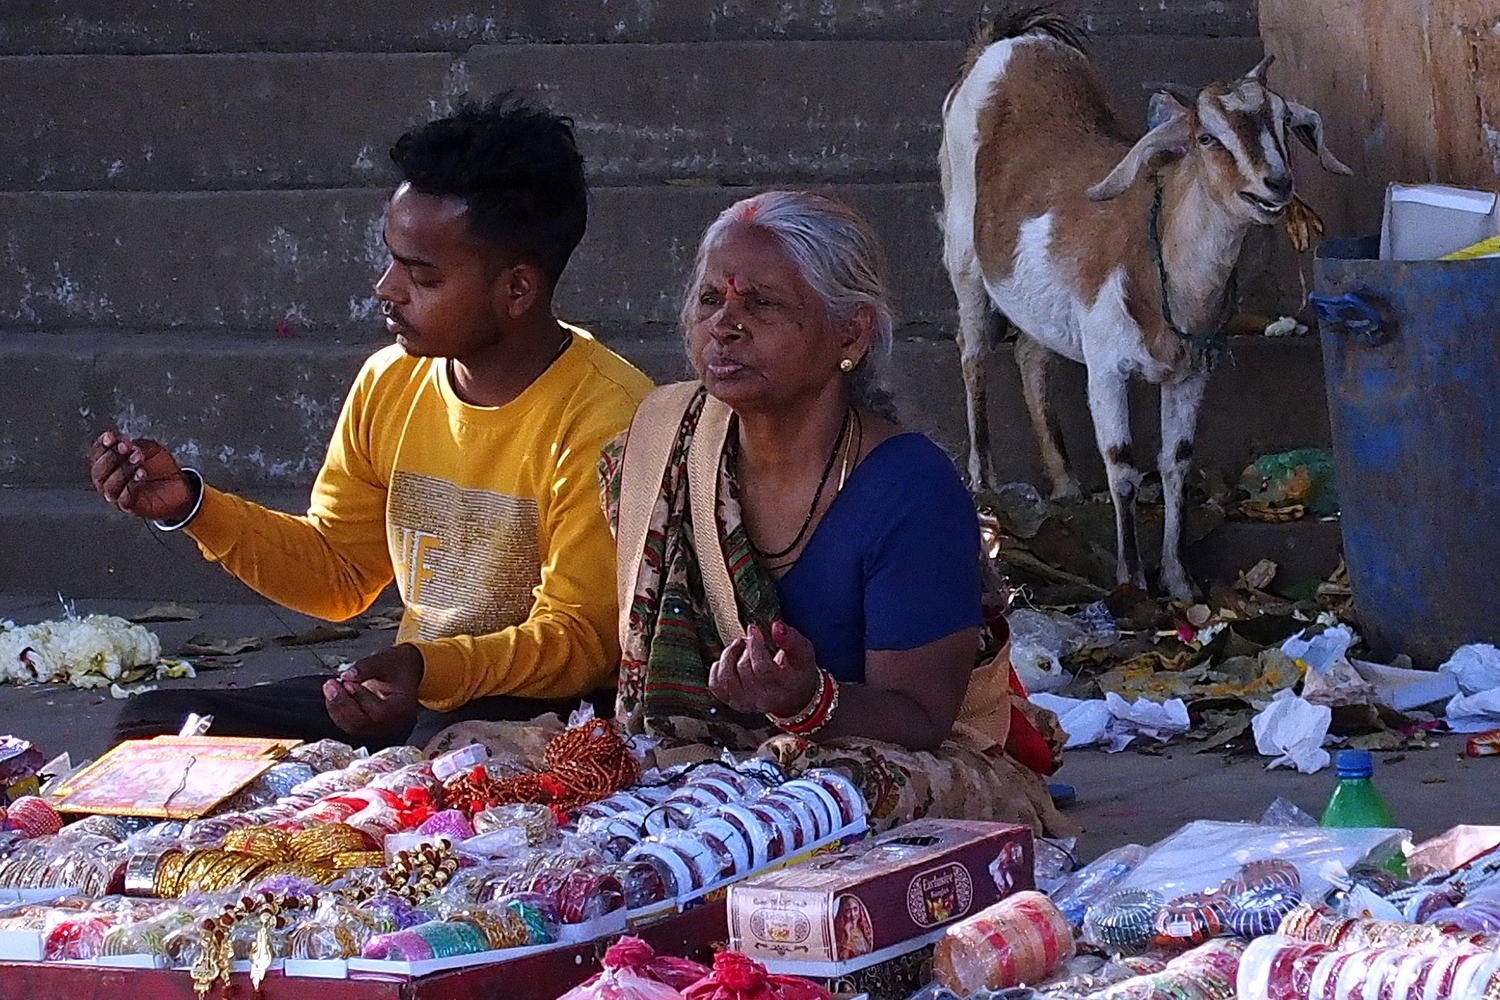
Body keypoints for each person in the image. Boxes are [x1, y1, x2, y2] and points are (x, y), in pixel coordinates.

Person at [90, 94, 653, 748]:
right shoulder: (391, 379)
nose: (387, 287)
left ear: (517, 290)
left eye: (421, 275)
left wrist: (422, 668)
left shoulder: (610, 416)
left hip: (541, 715)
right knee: (152, 726)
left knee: (442, 749)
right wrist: (192, 507)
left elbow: (577, 644)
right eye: (391, 259)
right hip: (413, 694)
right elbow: (339, 574)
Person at [599, 190, 1072, 835]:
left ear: (849, 331)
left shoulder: (909, 488)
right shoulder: (662, 446)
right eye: (712, 301)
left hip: (877, 765)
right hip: (706, 762)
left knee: (830, 799)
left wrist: (803, 700)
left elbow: (922, 720)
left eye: (762, 304)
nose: (726, 325)